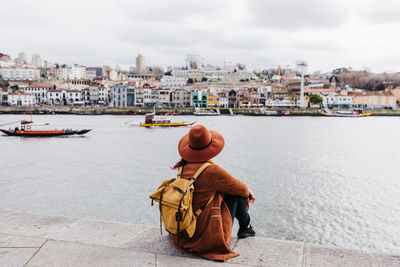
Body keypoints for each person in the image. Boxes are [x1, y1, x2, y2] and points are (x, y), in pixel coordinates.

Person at [170, 124, 256, 261]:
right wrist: (248, 193)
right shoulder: (212, 171)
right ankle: (246, 227)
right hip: (204, 237)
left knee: (230, 191)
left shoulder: (183, 167)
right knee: (236, 194)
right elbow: (241, 189)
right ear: (210, 147)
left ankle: (246, 227)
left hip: (184, 232)